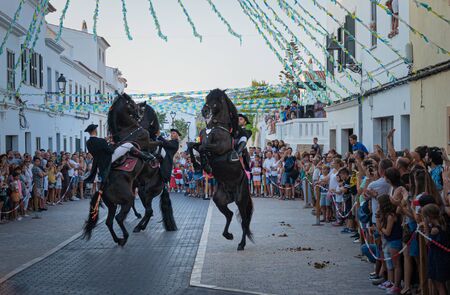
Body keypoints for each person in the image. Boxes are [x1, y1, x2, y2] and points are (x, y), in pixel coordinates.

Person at [84, 124, 115, 190]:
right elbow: (110, 151)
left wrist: (105, 141)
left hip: (96, 162)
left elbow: (98, 146)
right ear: (95, 130)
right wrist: (111, 144)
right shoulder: (101, 141)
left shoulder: (88, 142)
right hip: (105, 162)